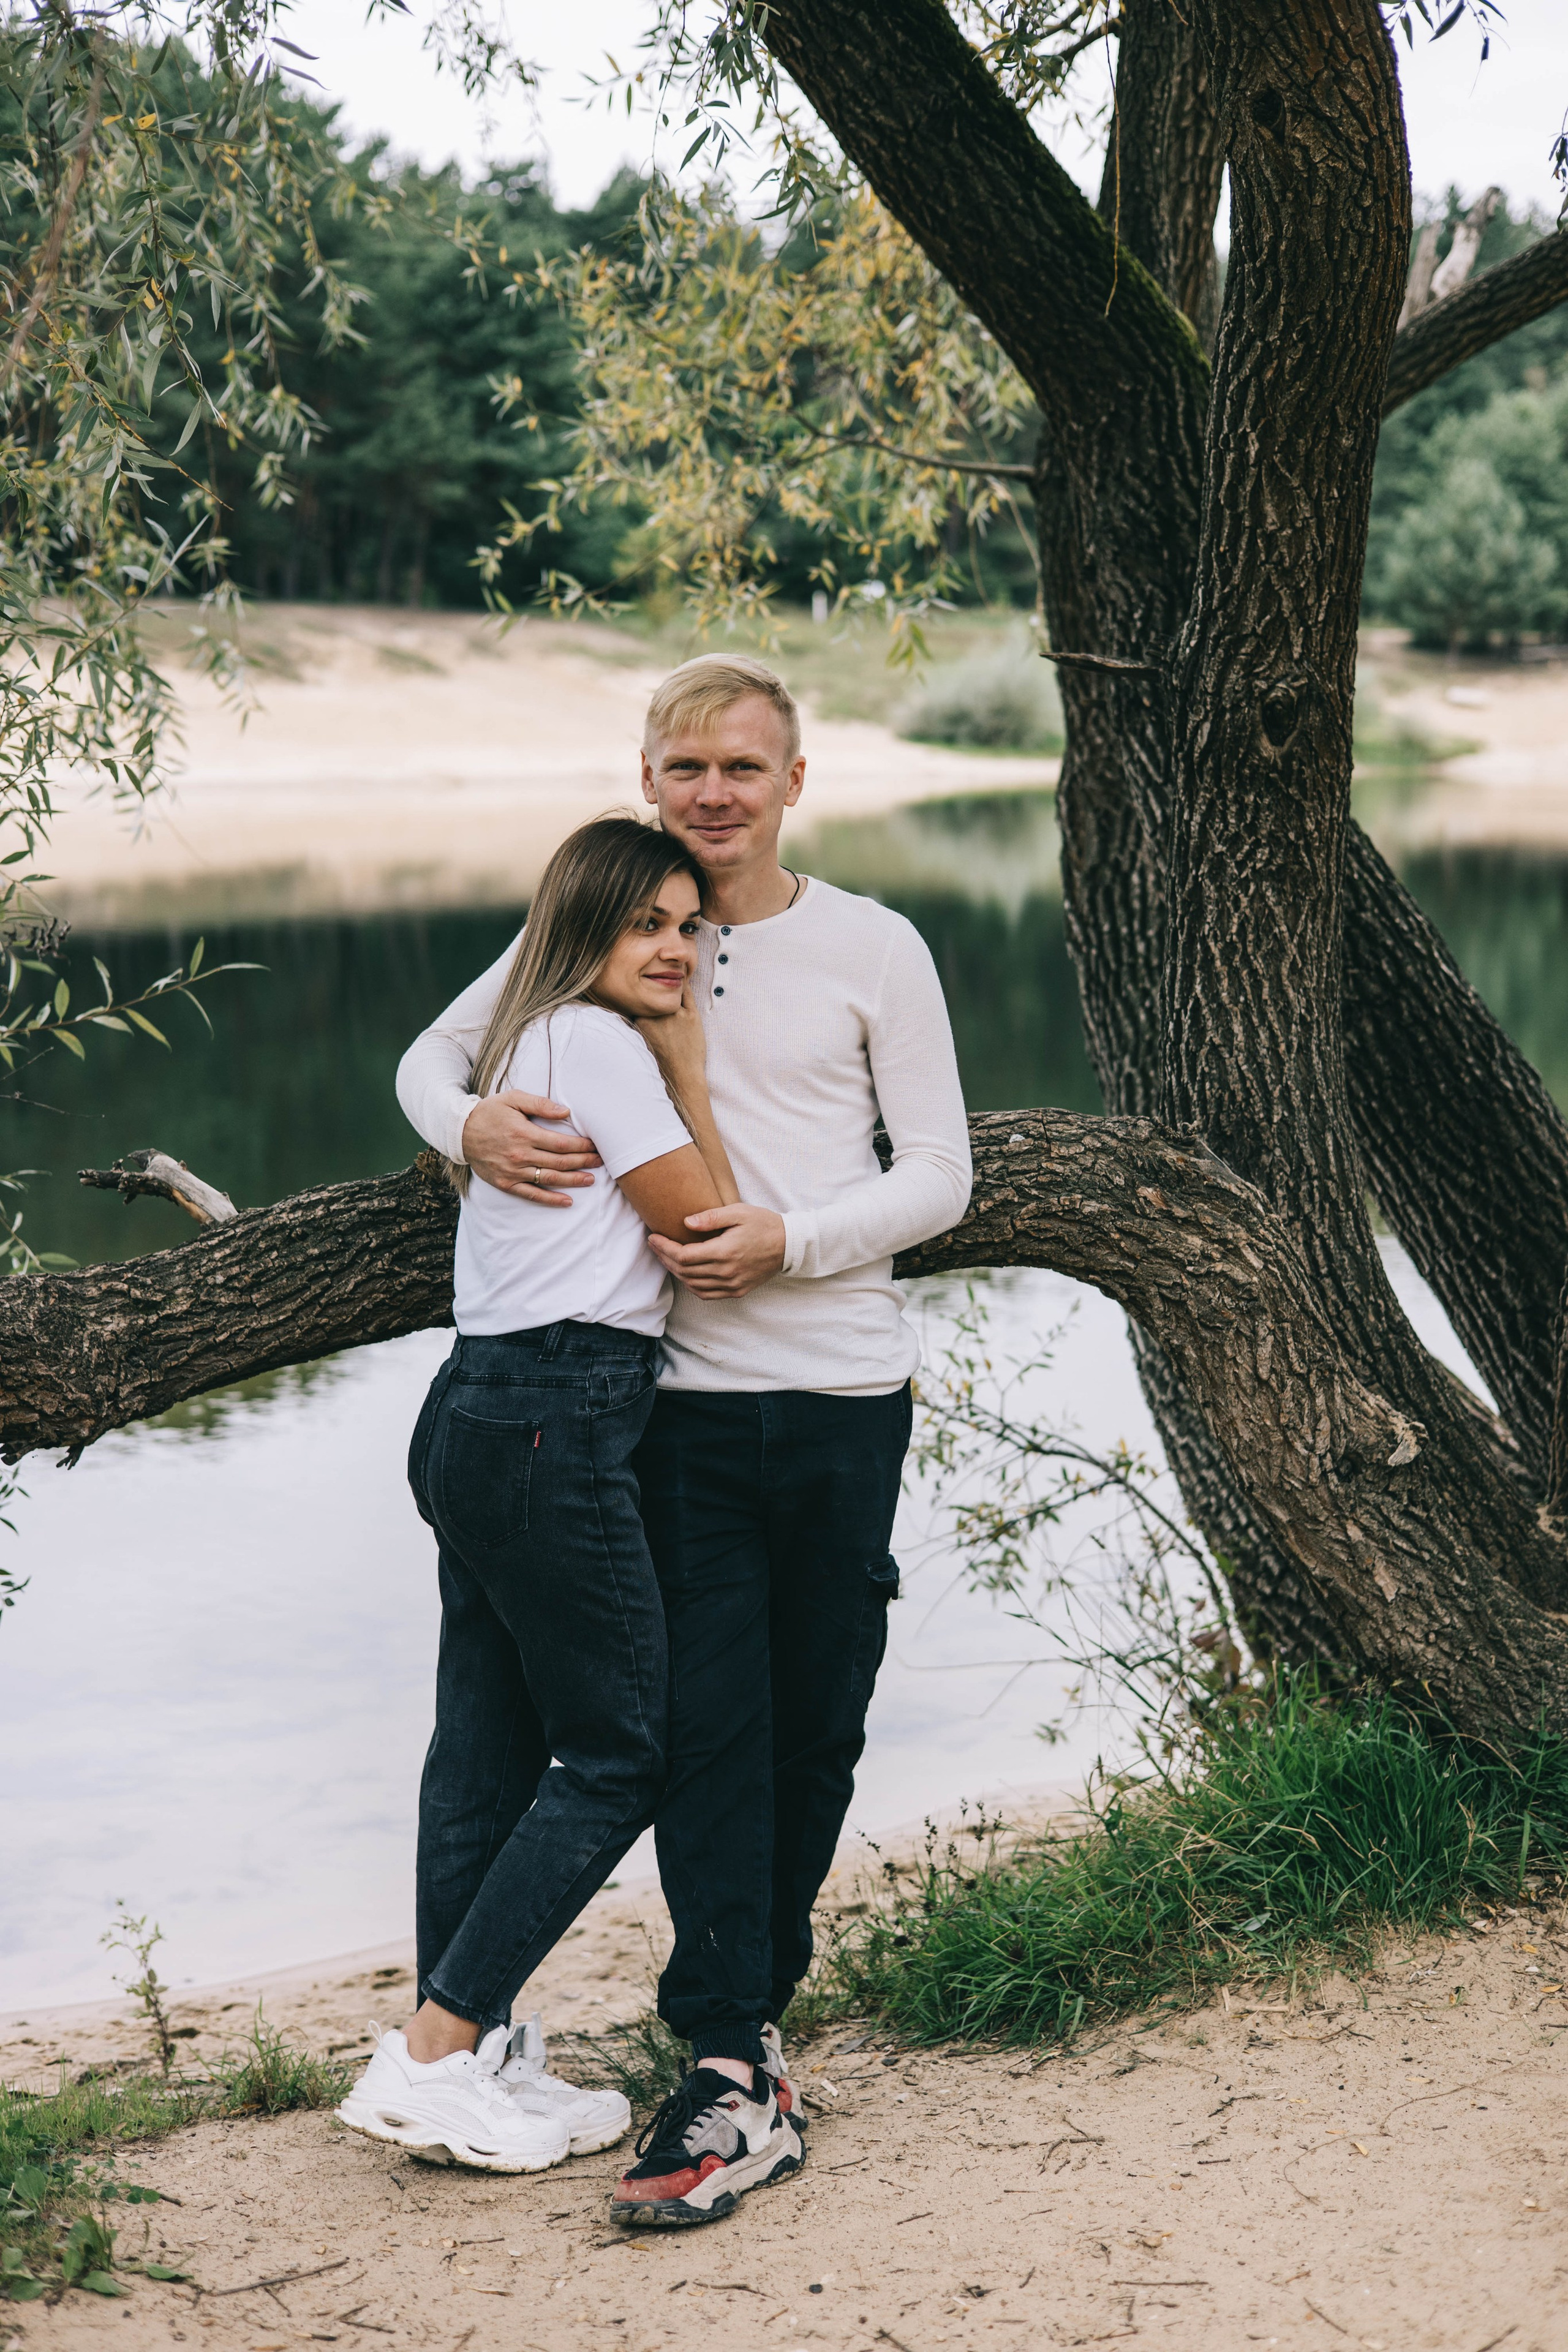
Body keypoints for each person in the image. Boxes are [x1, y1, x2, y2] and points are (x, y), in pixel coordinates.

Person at [396, 654, 973, 2226]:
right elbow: (433, 1057)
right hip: (666, 1416)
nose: (711, 792)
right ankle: (724, 2052)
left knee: (818, 1722)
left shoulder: (873, 945)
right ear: (647, 779)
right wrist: (463, 1129)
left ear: (795, 782)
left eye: (741, 766)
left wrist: (792, 1239)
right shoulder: (601, 934)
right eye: (682, 766)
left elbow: (940, 1173)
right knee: (705, 1730)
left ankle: (743, 2013)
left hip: (843, 1392)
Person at [339, 815, 766, 2179]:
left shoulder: (529, 1037)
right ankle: (432, 2049)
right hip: (555, 1420)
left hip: (479, 1412)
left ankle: (470, 2055)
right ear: (578, 932)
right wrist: (690, 1068)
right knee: (616, 1749)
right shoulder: (594, 1044)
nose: (675, 950)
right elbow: (706, 1230)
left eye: (688, 926)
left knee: (482, 1747)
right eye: (645, 925)